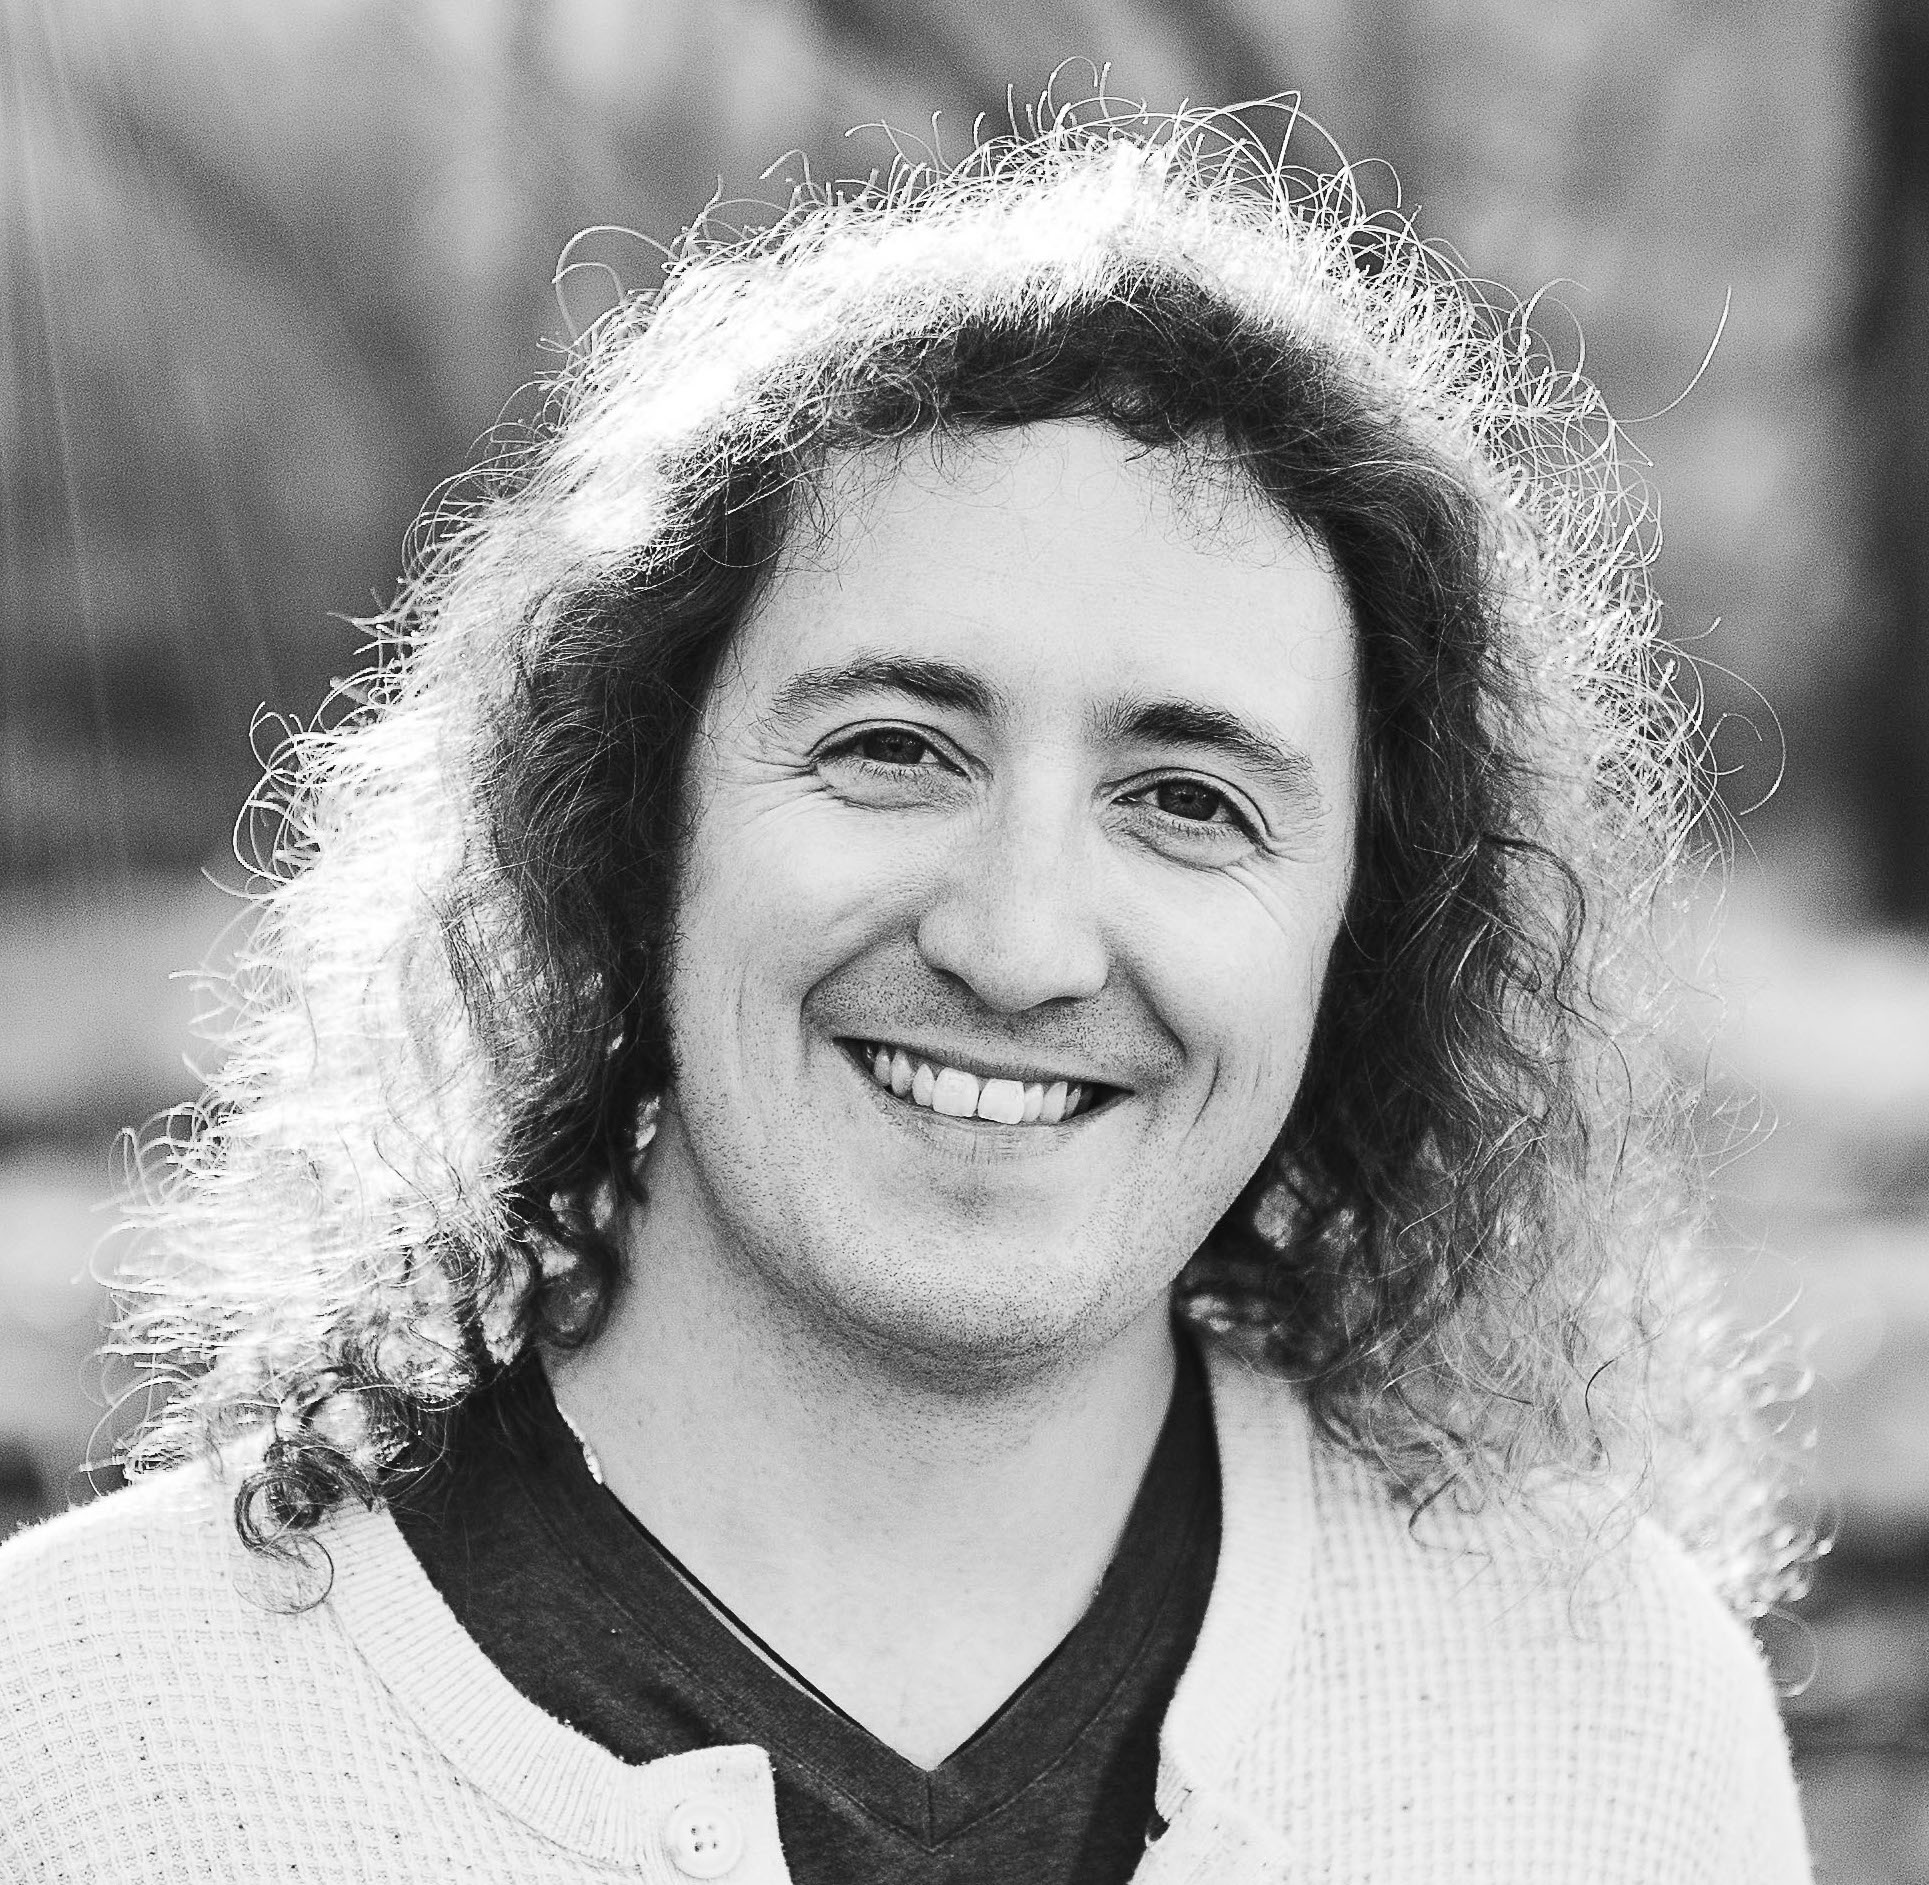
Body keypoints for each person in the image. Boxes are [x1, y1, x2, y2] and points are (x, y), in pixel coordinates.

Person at [0, 104, 1813, 1882]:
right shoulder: (74, 1741)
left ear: (1369, 929)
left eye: (1189, 800)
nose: (1017, 945)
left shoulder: (1614, 1731)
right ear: (637, 821)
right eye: (891, 747)